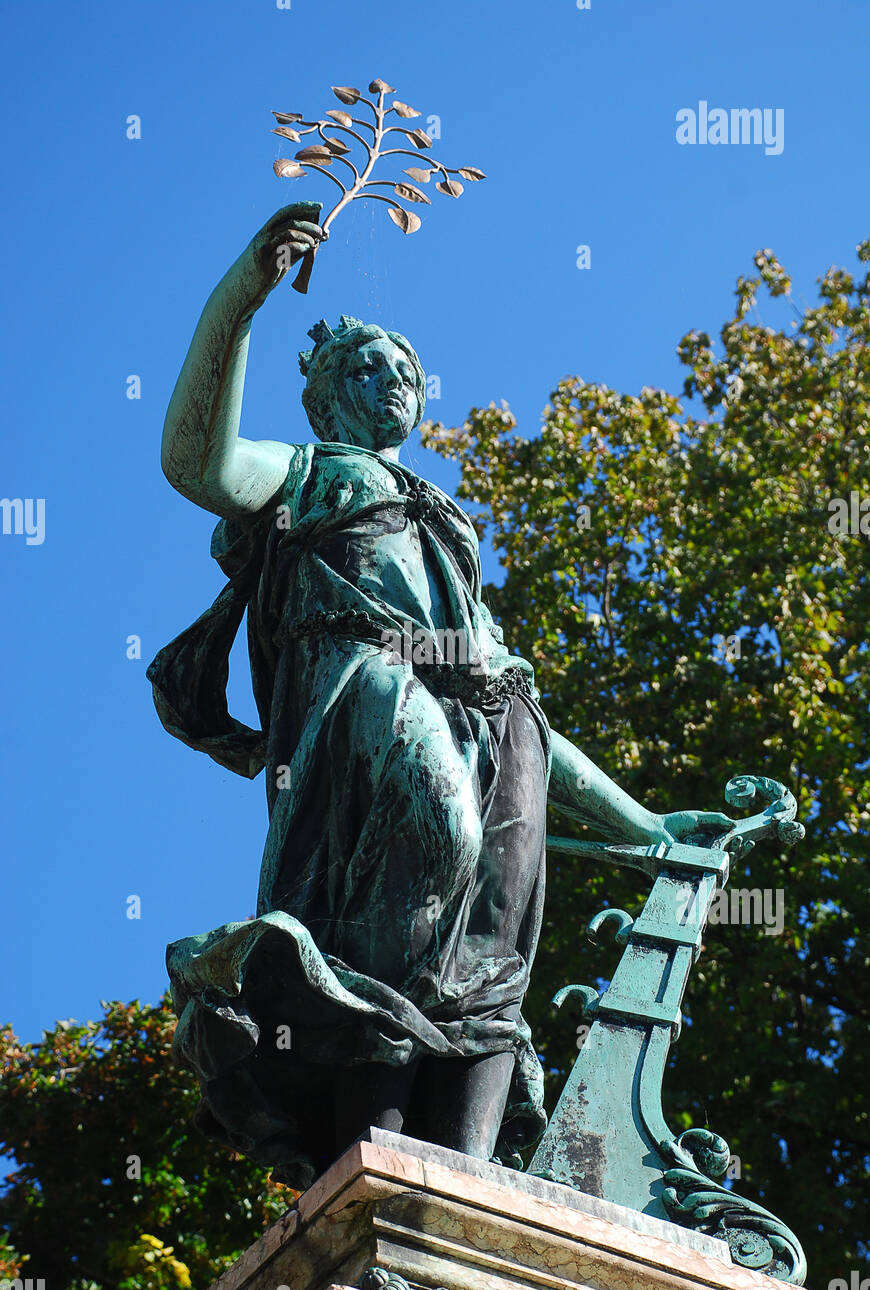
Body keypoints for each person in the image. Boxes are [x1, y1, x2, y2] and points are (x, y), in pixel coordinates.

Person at [148, 201, 732, 1188]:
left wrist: (648, 826)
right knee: (432, 836)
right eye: (376, 367)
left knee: (497, 936)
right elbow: (193, 461)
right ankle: (364, 1143)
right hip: (371, 687)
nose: (400, 383)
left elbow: (517, 689)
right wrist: (243, 295)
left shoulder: (447, 529)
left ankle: (457, 1184)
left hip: (494, 718)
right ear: (331, 395)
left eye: (411, 372)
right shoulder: (315, 475)